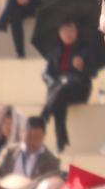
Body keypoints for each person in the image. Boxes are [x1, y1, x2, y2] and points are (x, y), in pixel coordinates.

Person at [41, 21, 98, 153]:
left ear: (76, 31)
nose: (68, 33)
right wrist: (52, 82)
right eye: (65, 30)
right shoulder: (54, 50)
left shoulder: (84, 49)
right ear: (59, 33)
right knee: (59, 98)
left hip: (79, 88)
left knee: (61, 90)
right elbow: (46, 74)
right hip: (58, 89)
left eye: (71, 29)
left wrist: (82, 67)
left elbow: (93, 73)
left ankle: (44, 115)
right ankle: (61, 142)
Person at [0, 115, 60, 189]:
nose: (32, 142)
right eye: (29, 137)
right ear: (22, 133)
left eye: (36, 138)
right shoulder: (9, 152)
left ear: (44, 136)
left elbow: (53, 185)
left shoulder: (52, 161)